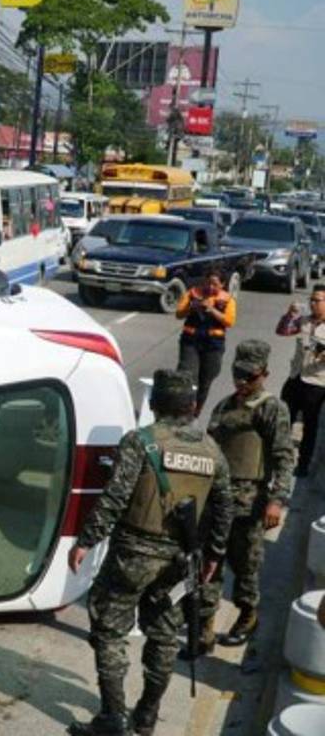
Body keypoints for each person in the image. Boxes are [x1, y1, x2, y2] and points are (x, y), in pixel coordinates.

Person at [67, 369, 233, 736]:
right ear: (191, 406)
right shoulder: (212, 452)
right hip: (180, 562)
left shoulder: (140, 442)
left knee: (109, 630)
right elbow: (224, 507)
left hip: (132, 555)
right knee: (163, 636)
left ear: (155, 404)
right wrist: (213, 556)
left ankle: (113, 717)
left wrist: (86, 541)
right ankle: (145, 716)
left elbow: (115, 498)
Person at [186, 340, 294, 653]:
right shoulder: (223, 406)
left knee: (245, 566)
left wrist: (277, 499)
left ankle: (248, 616)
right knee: (209, 562)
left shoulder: (272, 408)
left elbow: (284, 457)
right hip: (216, 501)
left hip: (249, 504)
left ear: (264, 374)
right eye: (237, 375)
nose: (241, 382)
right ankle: (204, 630)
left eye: (249, 376)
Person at [276, 285, 325, 477]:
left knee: (310, 426)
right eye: (311, 300)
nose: (312, 304)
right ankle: (279, 459)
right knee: (283, 420)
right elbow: (282, 331)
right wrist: (289, 315)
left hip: (317, 382)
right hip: (296, 378)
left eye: (317, 300)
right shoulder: (303, 321)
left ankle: (303, 465)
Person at [175, 268, 237, 418]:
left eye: (215, 284)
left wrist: (212, 310)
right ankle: (182, 411)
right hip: (191, 341)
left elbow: (229, 321)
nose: (210, 287)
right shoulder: (192, 293)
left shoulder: (228, 300)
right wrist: (191, 307)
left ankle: (196, 412)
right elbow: (178, 314)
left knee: (206, 378)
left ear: (222, 284)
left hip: (213, 344)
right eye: (208, 283)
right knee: (188, 375)